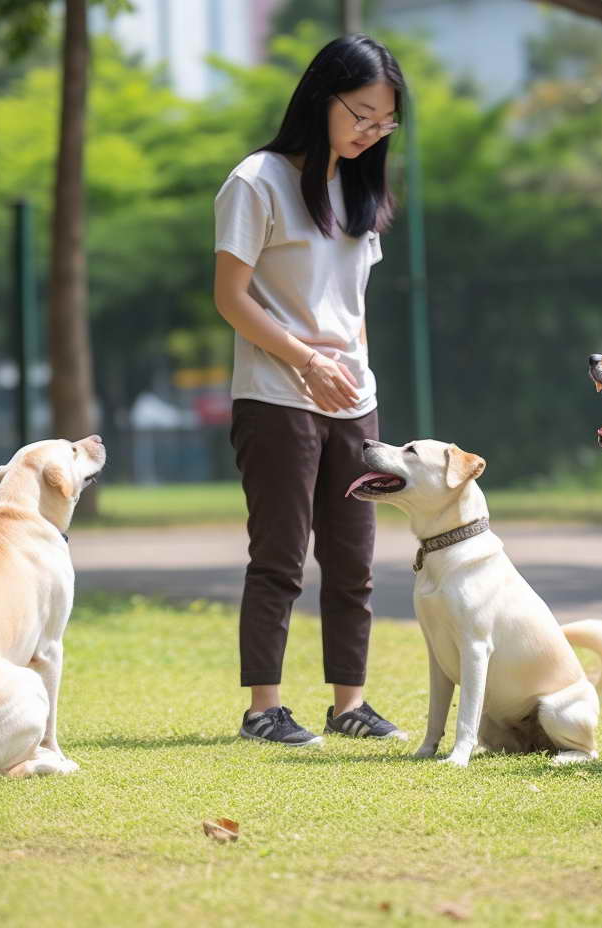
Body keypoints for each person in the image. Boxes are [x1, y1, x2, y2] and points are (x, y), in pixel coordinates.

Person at [212, 34, 409, 747]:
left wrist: (347, 369)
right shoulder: (256, 181)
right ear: (320, 96)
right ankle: (264, 709)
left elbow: (348, 306)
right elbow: (231, 298)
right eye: (360, 114)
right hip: (276, 397)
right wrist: (304, 358)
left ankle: (348, 703)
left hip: (354, 402)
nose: (369, 133)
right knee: (280, 557)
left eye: (383, 123)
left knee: (354, 562)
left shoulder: (360, 189)